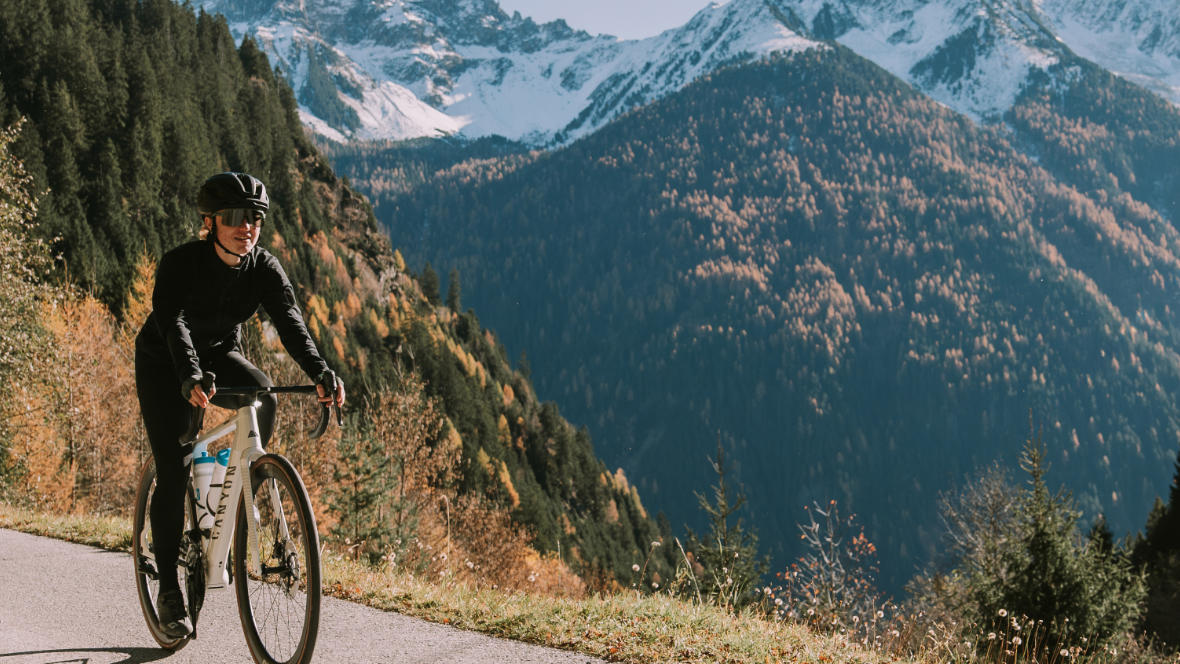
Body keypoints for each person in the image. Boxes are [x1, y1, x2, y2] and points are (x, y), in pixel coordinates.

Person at [134, 172, 344, 638]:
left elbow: (291, 322)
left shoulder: (263, 268)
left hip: (218, 356)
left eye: (254, 218)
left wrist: (320, 372)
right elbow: (174, 323)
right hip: (165, 361)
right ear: (210, 222)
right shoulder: (180, 264)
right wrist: (189, 375)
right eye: (233, 218)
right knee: (174, 465)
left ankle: (236, 483)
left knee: (261, 392)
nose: (245, 226)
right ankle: (169, 586)